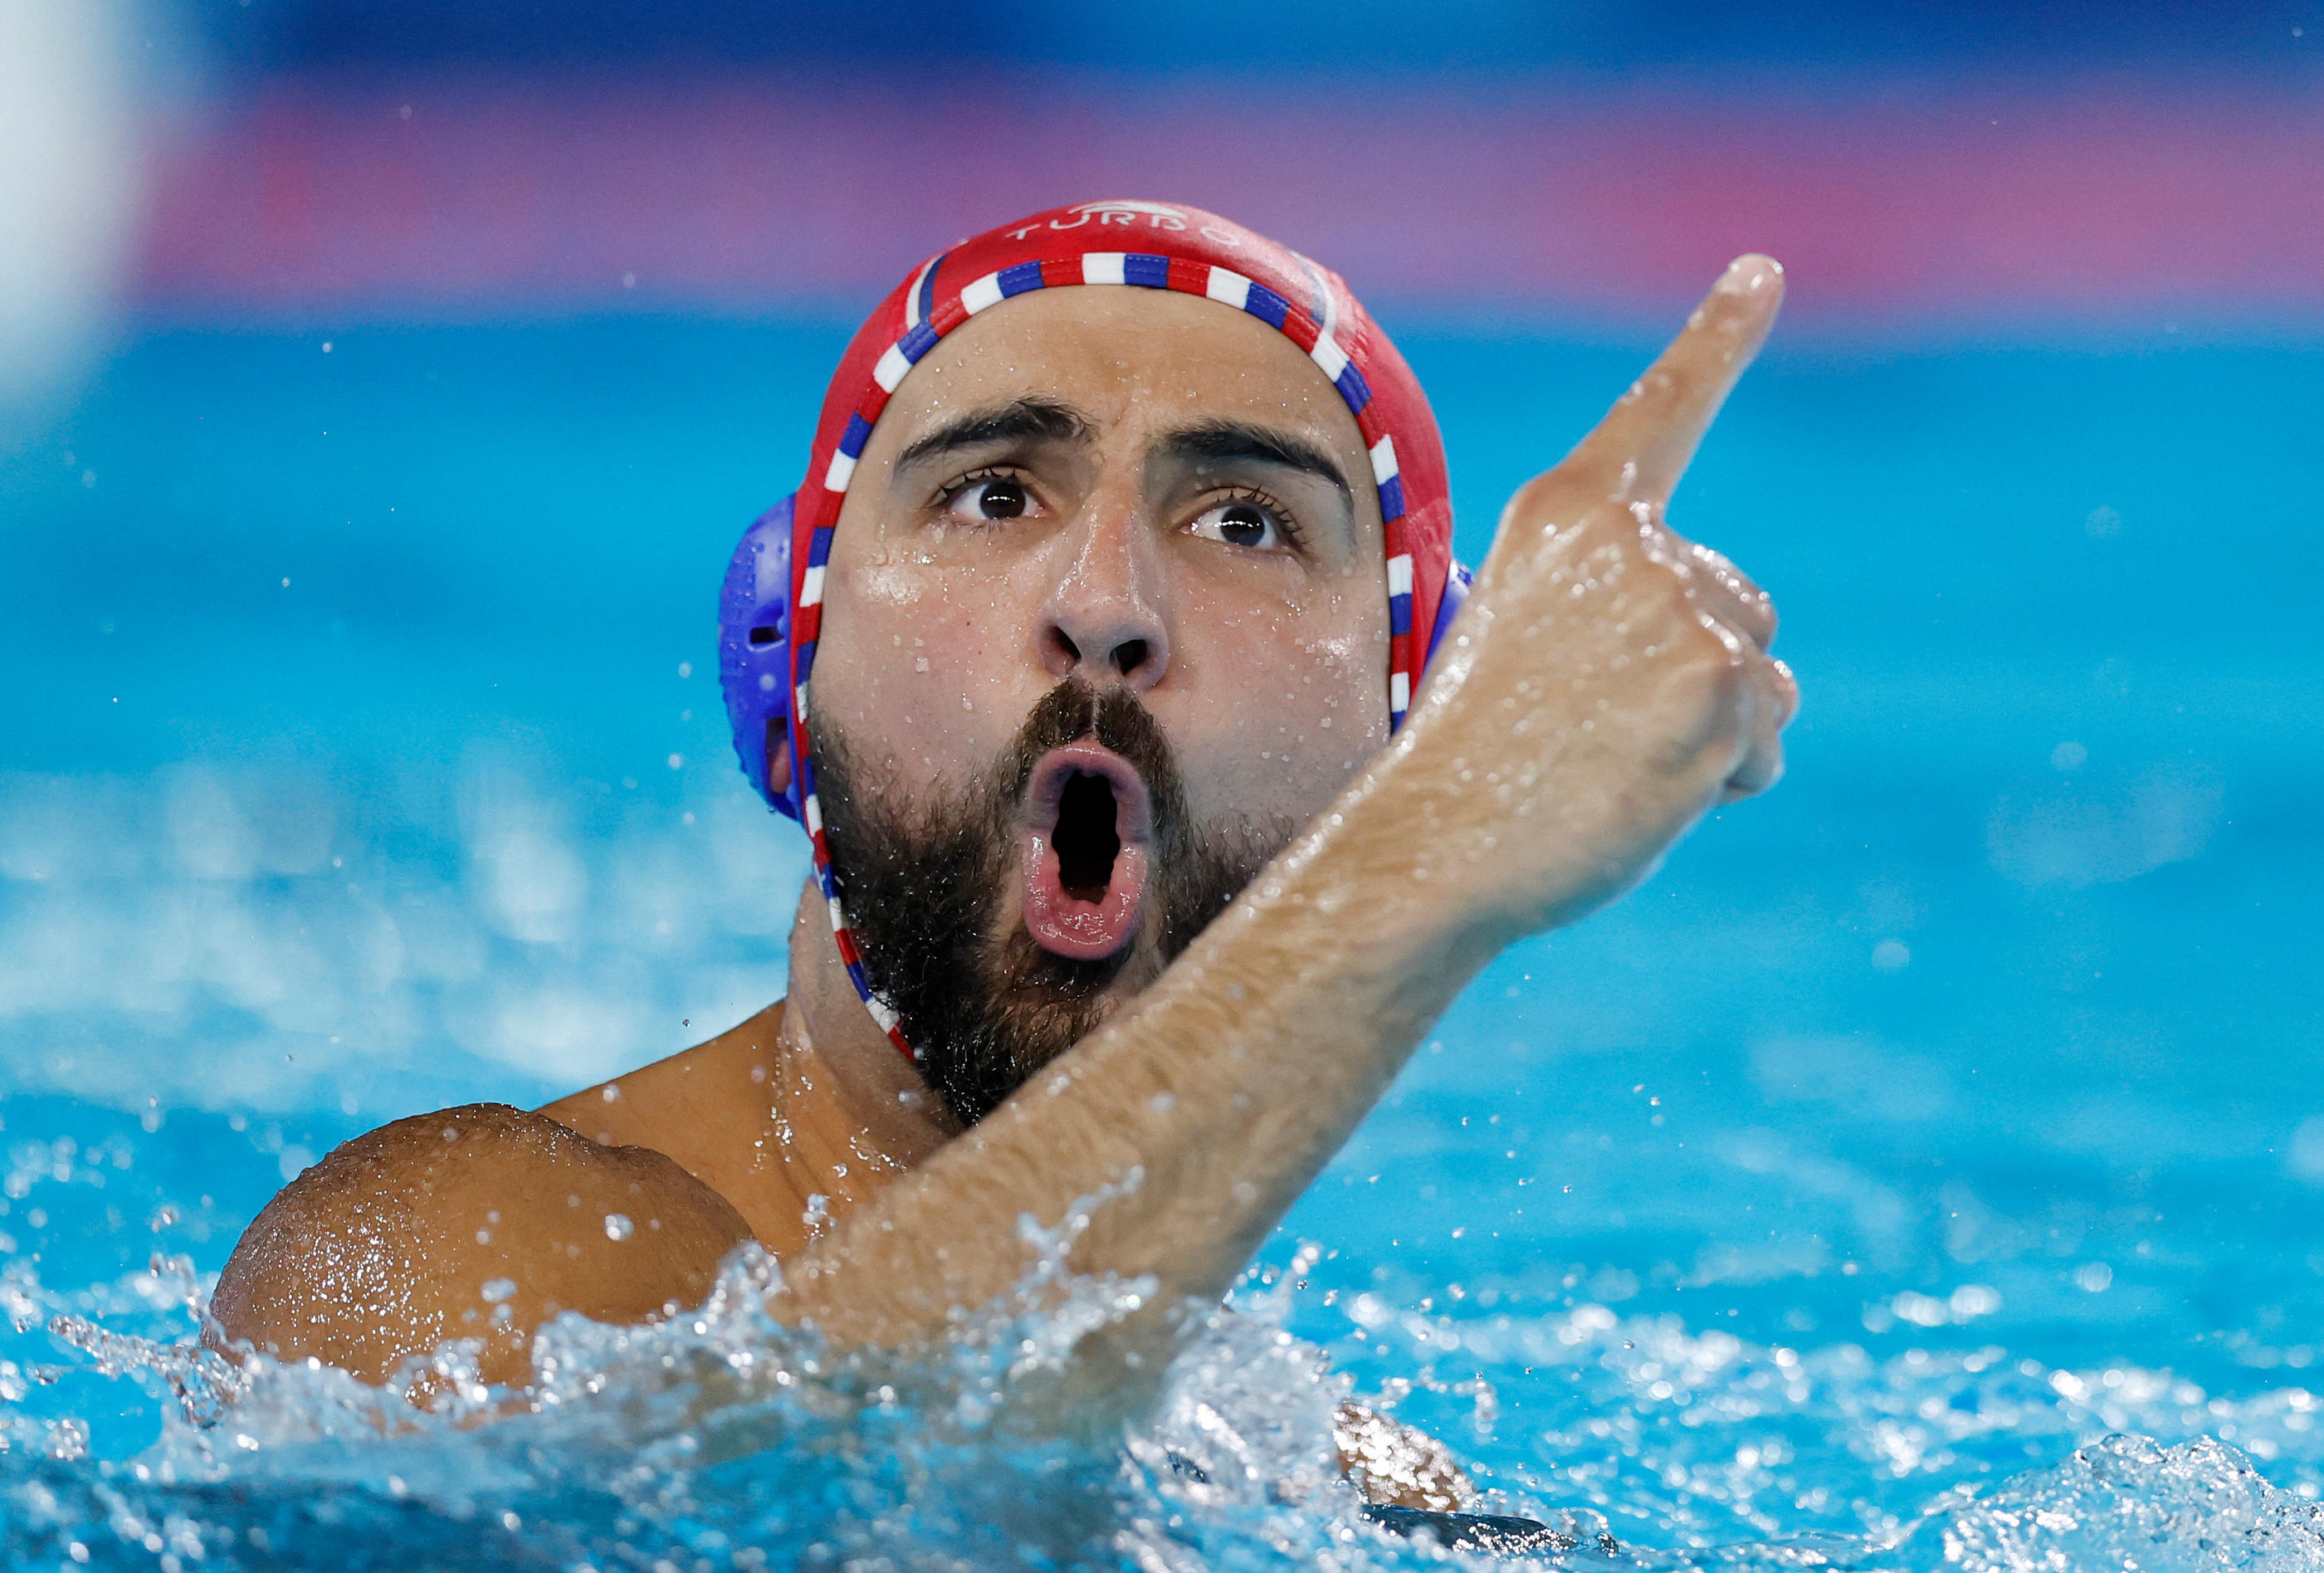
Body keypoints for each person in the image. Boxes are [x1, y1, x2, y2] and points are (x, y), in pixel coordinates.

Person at [208, 201, 1794, 1505]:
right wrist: (1430, 861)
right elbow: (749, 1519)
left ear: (1385, 734)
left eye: (1244, 522)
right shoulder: (444, 1256)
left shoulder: (1353, 1496)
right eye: (993, 492)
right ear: (787, 670)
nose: (1106, 599)